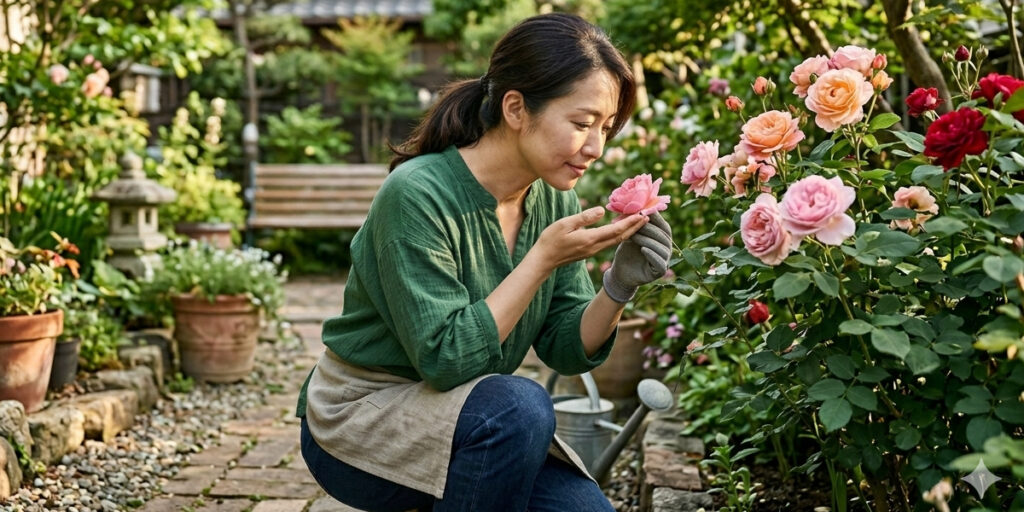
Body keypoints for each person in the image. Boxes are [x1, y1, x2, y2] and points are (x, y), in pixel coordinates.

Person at [297, 12, 673, 512]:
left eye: (606, 128)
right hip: (361, 419)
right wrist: (540, 259)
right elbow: (446, 359)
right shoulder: (416, 194)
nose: (596, 147)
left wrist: (618, 287)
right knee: (521, 405)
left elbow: (565, 348)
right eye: (582, 124)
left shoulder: (554, 199)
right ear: (515, 108)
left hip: (475, 420)